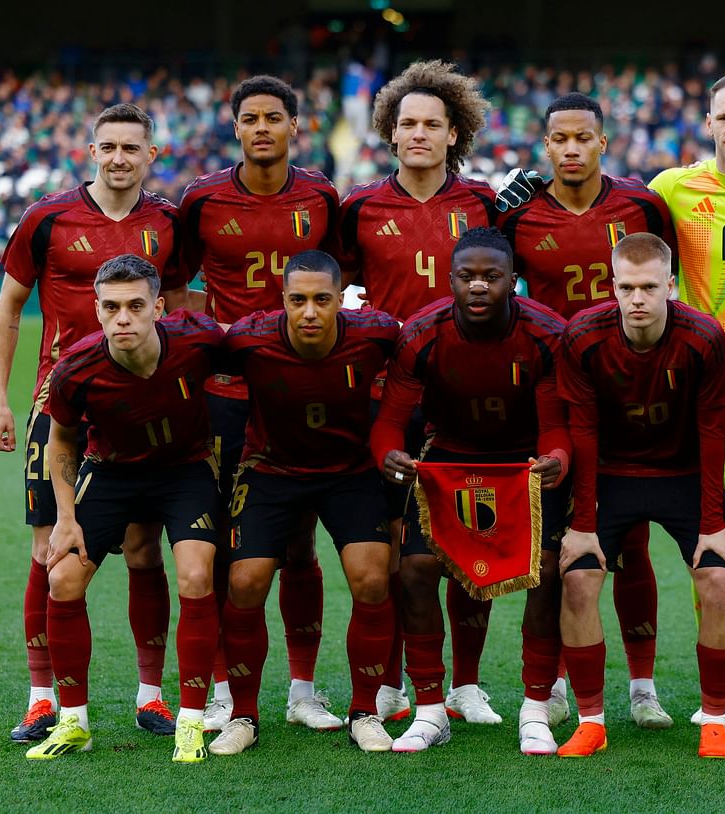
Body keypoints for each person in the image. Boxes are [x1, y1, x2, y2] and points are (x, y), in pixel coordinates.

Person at [498, 74, 725, 724]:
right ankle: (722, 688)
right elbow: (614, 226)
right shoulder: (668, 190)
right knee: (705, 545)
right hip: (696, 389)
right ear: (707, 122)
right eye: (724, 116)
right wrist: (502, 204)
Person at [0, 103, 188, 742]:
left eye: (132, 147)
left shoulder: (168, 223)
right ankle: (42, 697)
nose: (119, 157)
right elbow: (10, 307)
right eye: (108, 146)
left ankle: (151, 695)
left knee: (142, 546)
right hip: (60, 406)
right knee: (48, 550)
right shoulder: (47, 218)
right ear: (91, 150)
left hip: (140, 410)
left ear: (151, 155)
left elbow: (180, 312)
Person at [498, 92, 679, 729]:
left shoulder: (642, 204)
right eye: (559, 139)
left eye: (583, 138)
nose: (571, 149)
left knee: (630, 547)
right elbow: (491, 287)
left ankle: (643, 686)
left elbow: (666, 290)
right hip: (551, 398)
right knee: (552, 555)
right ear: (545, 145)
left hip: (631, 393)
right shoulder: (518, 214)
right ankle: (547, 688)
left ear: (604, 142)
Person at [336, 60, 501, 725]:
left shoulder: (487, 204)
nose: (420, 135)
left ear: (454, 133)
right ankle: (399, 681)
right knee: (403, 546)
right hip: (389, 398)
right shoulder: (359, 208)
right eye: (408, 124)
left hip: (473, 396)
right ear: (389, 131)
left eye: (434, 125)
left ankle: (466, 684)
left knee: (471, 543)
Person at [180, 75, 341, 732]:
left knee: (299, 545)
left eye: (275, 117)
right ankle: (223, 688)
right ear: (235, 127)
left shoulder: (323, 195)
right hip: (224, 396)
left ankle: (303, 690)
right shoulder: (201, 199)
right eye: (250, 118)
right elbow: (172, 286)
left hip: (299, 391)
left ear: (294, 126)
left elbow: (339, 285)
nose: (263, 128)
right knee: (219, 546)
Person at [371, 227, 571, 755]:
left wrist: (558, 457)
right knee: (413, 568)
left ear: (513, 281)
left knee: (549, 570)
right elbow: (391, 420)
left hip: (523, 463)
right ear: (449, 279)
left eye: (491, 277)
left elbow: (555, 422)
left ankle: (535, 709)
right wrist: (387, 453)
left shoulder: (547, 333)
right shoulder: (421, 333)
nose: (478, 286)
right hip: (450, 459)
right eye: (467, 277)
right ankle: (432, 709)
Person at [25, 255, 221, 763]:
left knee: (196, 576)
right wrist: (66, 520)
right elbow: (62, 440)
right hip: (111, 472)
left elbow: (257, 354)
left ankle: (192, 723)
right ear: (96, 310)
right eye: (111, 308)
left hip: (185, 470)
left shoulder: (199, 339)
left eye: (135, 306)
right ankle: (73, 722)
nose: (123, 319)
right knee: (62, 578)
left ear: (158, 306)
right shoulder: (76, 368)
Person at [207, 250, 401, 756]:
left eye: (321, 300)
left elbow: (421, 357)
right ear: (282, 302)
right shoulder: (249, 338)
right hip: (271, 470)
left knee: (373, 577)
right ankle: (243, 716)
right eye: (298, 300)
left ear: (342, 300)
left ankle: (364, 712)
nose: (309, 312)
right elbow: (189, 356)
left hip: (350, 471)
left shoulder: (377, 333)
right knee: (245, 581)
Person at [556, 233, 725, 759]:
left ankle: (713, 720)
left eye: (649, 287)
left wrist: (713, 521)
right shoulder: (583, 336)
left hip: (683, 474)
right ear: (612, 287)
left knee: (718, 577)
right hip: (611, 474)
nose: (637, 299)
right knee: (578, 579)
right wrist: (584, 521)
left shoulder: (703, 338)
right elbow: (583, 431)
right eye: (627, 287)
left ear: (671, 287)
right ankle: (591, 722)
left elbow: (713, 432)